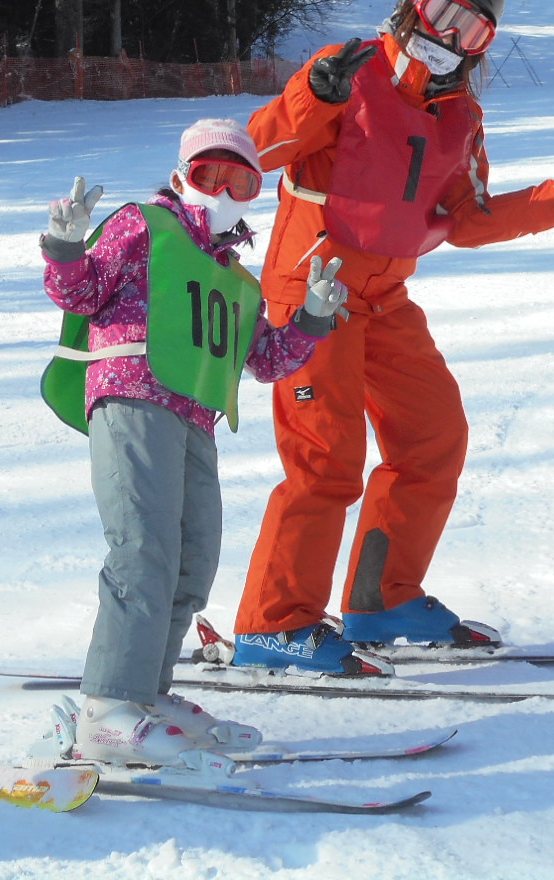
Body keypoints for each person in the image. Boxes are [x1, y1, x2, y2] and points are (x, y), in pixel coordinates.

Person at [229, 0, 554, 672]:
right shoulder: (346, 73)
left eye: (472, 30)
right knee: (326, 462)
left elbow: (466, 218)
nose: (450, 36)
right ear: (413, 2)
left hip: (383, 300)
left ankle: (382, 598)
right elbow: (255, 155)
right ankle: (273, 624)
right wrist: (315, 94)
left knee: (433, 438)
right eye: (444, 12)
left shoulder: (461, 116)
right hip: (312, 295)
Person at [37, 118, 348, 763]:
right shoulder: (145, 225)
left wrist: (313, 318)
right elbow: (84, 292)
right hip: (131, 393)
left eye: (242, 183)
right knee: (144, 546)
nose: (225, 191)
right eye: (213, 176)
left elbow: (265, 358)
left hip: (194, 418)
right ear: (184, 174)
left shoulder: (234, 276)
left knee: (191, 559)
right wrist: (66, 249)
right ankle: (108, 706)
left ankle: (146, 694)